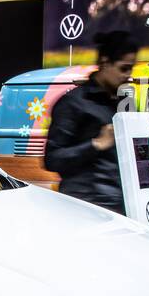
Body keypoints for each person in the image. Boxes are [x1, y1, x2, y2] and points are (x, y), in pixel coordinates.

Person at [44, 30, 138, 215]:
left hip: (121, 207)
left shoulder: (124, 103)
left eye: (131, 69)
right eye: (123, 68)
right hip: (85, 208)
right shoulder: (73, 102)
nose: (128, 75)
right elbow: (52, 160)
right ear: (104, 62)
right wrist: (96, 144)